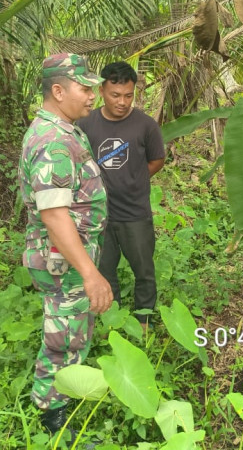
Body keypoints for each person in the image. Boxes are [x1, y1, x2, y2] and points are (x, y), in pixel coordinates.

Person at [19, 53, 113, 436]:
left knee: (71, 328)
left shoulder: (64, 131)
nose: (93, 95)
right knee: (64, 336)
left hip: (67, 255)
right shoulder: (53, 142)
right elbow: (54, 215)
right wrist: (90, 274)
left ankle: (58, 402)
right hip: (63, 259)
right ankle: (53, 417)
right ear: (58, 91)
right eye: (84, 87)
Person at [78, 61, 165, 327]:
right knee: (104, 270)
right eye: (116, 95)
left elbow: (157, 160)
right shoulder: (85, 124)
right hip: (98, 214)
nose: (123, 102)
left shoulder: (146, 126)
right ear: (101, 90)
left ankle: (144, 321)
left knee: (144, 270)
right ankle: (110, 321)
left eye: (129, 95)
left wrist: (134, 179)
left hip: (135, 213)